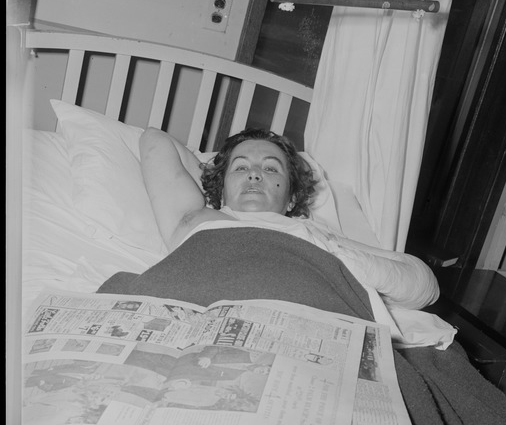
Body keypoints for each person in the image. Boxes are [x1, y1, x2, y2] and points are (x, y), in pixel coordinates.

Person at [137, 127, 439, 312]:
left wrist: (336, 258)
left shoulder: (315, 235)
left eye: (270, 169)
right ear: (222, 188)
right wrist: (212, 176)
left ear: (292, 198)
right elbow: (153, 138)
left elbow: (422, 287)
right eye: (241, 169)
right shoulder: (195, 217)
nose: (255, 173)